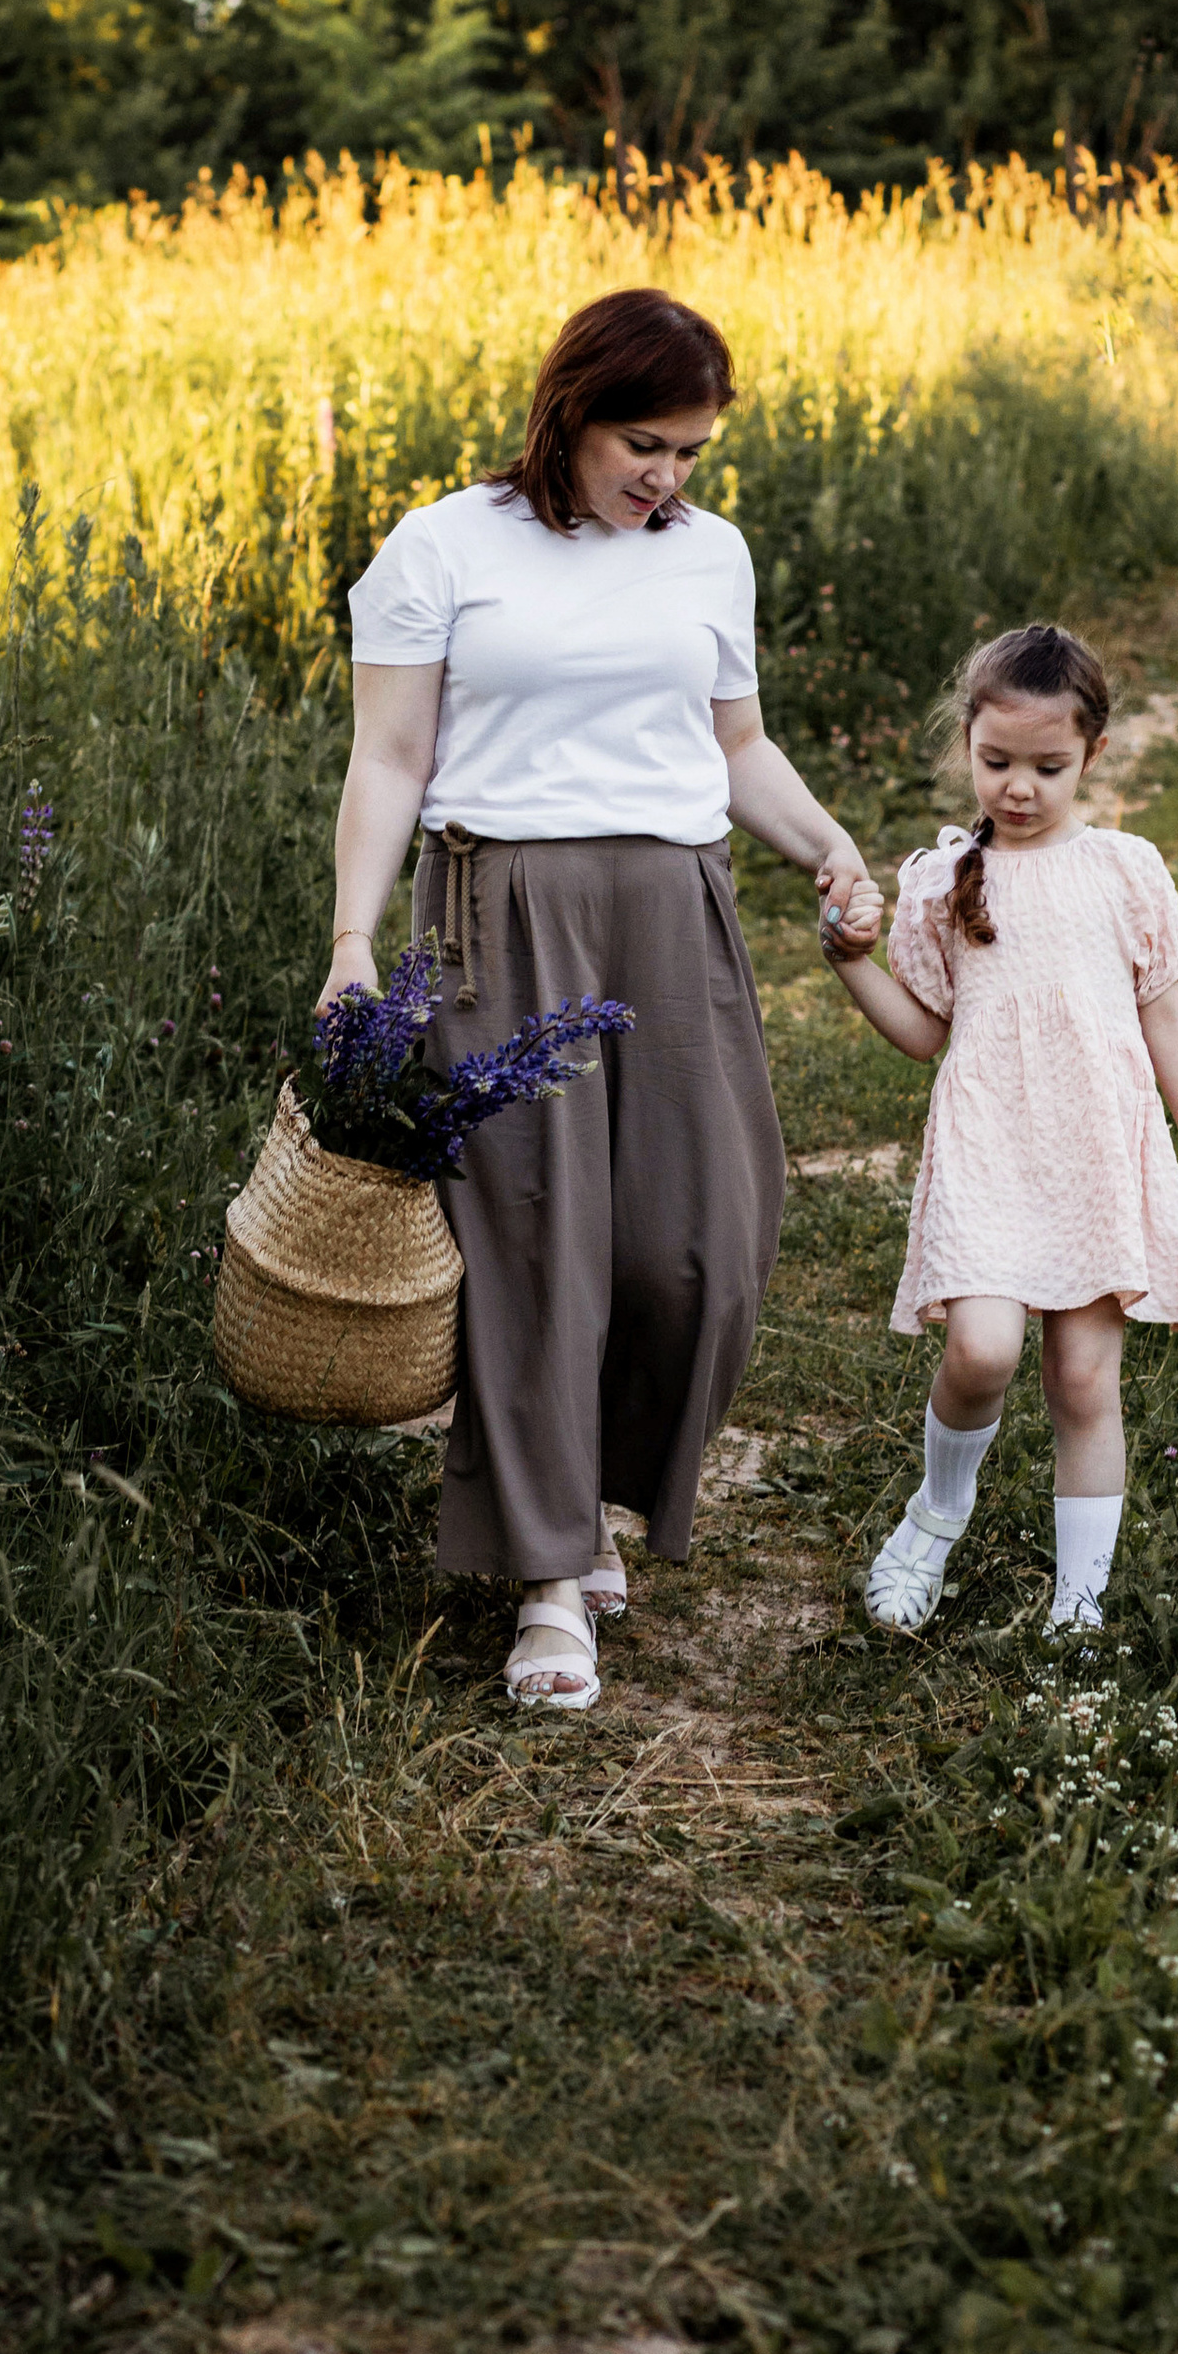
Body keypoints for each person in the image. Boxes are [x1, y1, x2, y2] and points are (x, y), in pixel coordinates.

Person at [322, 287, 881, 1713]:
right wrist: (352, 943)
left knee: (701, 1245)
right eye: (646, 444)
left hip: (674, 909)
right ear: (570, 413)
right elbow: (389, 758)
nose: (667, 477)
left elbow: (735, 743)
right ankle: (549, 1578)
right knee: (533, 1247)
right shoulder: (444, 545)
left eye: (691, 452)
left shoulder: (709, 554)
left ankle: (589, 1493)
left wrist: (827, 846)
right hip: (499, 910)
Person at [816, 620, 1178, 1637]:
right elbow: (924, 1032)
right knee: (983, 1351)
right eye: (996, 761)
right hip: (991, 1146)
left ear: (1092, 754)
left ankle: (1078, 1606)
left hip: (1097, 1152)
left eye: (1048, 767)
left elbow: (1167, 1016)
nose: (1019, 789)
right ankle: (935, 1516)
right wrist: (850, 963)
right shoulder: (944, 881)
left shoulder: (1124, 870)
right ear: (967, 741)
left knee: (1082, 1379)